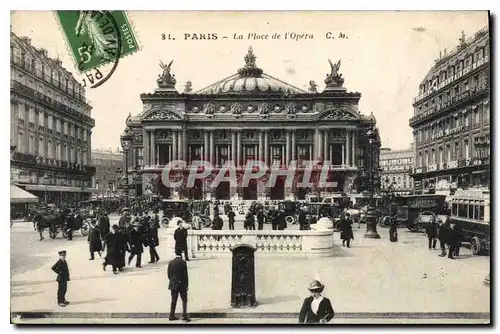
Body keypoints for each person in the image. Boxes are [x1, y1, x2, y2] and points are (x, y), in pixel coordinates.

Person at [168, 250, 190, 322]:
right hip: (182, 284)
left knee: (173, 300)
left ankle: (172, 315)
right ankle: (184, 315)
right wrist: (186, 285)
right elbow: (185, 275)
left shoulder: (171, 262)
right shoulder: (183, 262)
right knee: (184, 300)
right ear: (181, 254)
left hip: (173, 284)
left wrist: (172, 281)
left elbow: (169, 275)